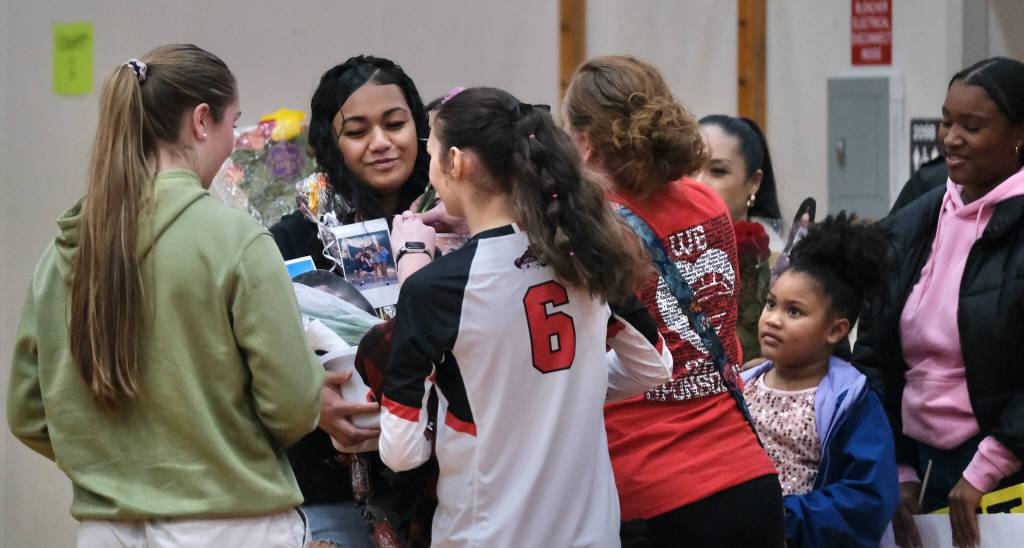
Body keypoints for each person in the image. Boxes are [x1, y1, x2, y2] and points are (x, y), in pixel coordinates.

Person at [6, 44, 322, 547]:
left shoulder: (64, 249)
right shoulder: (235, 240)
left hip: (105, 532)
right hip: (232, 527)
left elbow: (26, 411)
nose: (234, 141)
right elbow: (293, 406)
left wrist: (110, 469)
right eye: (232, 124)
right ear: (202, 121)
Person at [378, 86, 674, 547]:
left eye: (431, 154)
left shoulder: (434, 288)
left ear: (457, 162)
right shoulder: (583, 253)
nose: (431, 172)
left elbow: (401, 451)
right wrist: (563, 386)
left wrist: (412, 265)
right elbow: (654, 367)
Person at [562, 55, 783, 547]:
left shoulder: (594, 228)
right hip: (745, 471)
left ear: (586, 141)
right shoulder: (706, 201)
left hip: (652, 487)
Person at [853, 56, 1024, 548]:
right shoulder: (920, 206)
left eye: (972, 127)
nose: (950, 138)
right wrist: (899, 466)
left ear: (1018, 134)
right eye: (946, 121)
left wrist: (987, 467)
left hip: (1003, 463)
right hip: (919, 459)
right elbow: (874, 349)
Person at [268, 55, 431, 548]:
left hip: (444, 487)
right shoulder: (292, 239)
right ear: (329, 143)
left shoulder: (450, 221)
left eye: (395, 124)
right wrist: (308, 401)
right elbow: (246, 354)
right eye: (358, 131)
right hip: (331, 493)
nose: (381, 143)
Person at [741, 213, 899, 547]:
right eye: (771, 304)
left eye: (794, 311)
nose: (773, 320)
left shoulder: (851, 402)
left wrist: (786, 519)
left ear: (836, 330)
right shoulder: (745, 386)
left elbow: (869, 494)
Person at [697, 114, 785, 251]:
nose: (698, 183)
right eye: (689, 169)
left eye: (718, 171)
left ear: (754, 182)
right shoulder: (656, 252)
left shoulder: (777, 265)